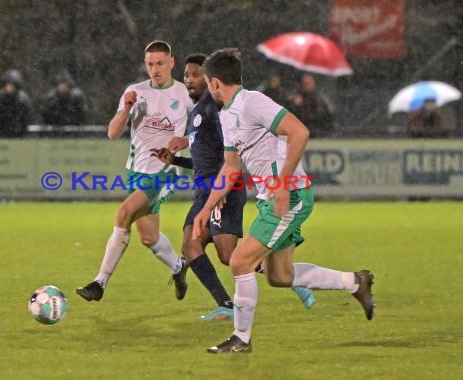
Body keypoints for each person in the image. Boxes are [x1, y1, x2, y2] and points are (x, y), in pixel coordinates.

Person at [193, 48, 375, 353]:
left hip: (288, 196)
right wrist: (207, 208)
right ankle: (355, 282)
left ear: (213, 83)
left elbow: (299, 132)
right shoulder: (227, 116)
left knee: (240, 261)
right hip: (272, 199)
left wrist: (281, 182)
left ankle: (241, 338)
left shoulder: (253, 101)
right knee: (280, 275)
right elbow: (231, 167)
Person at [150, 54, 314, 321]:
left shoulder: (220, 111)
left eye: (195, 75)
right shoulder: (198, 113)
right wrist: (177, 158)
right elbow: (206, 159)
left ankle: (288, 281)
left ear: (212, 81)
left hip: (219, 189)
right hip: (206, 189)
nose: (189, 80)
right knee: (193, 245)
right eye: (187, 75)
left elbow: (230, 161)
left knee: (231, 256)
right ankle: (227, 303)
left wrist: (221, 193)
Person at [76, 40, 191, 302]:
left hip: (166, 171)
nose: (155, 69)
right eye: (150, 64)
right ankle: (178, 267)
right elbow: (113, 133)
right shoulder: (135, 92)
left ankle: (99, 283)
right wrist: (127, 108)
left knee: (124, 212)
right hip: (137, 171)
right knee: (148, 238)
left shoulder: (184, 94)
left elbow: (202, 129)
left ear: (171, 63)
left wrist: (185, 142)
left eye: (160, 63)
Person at [0, 69, 34, 138]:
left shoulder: (23, 100)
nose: (9, 87)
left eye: (12, 85)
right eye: (8, 84)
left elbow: (27, 119)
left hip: (18, 135)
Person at [290, 73, 334, 138]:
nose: (305, 86)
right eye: (304, 83)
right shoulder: (299, 95)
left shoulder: (319, 98)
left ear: (314, 83)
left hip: (317, 133)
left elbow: (319, 116)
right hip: (302, 131)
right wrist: (295, 104)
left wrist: (302, 105)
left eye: (308, 83)